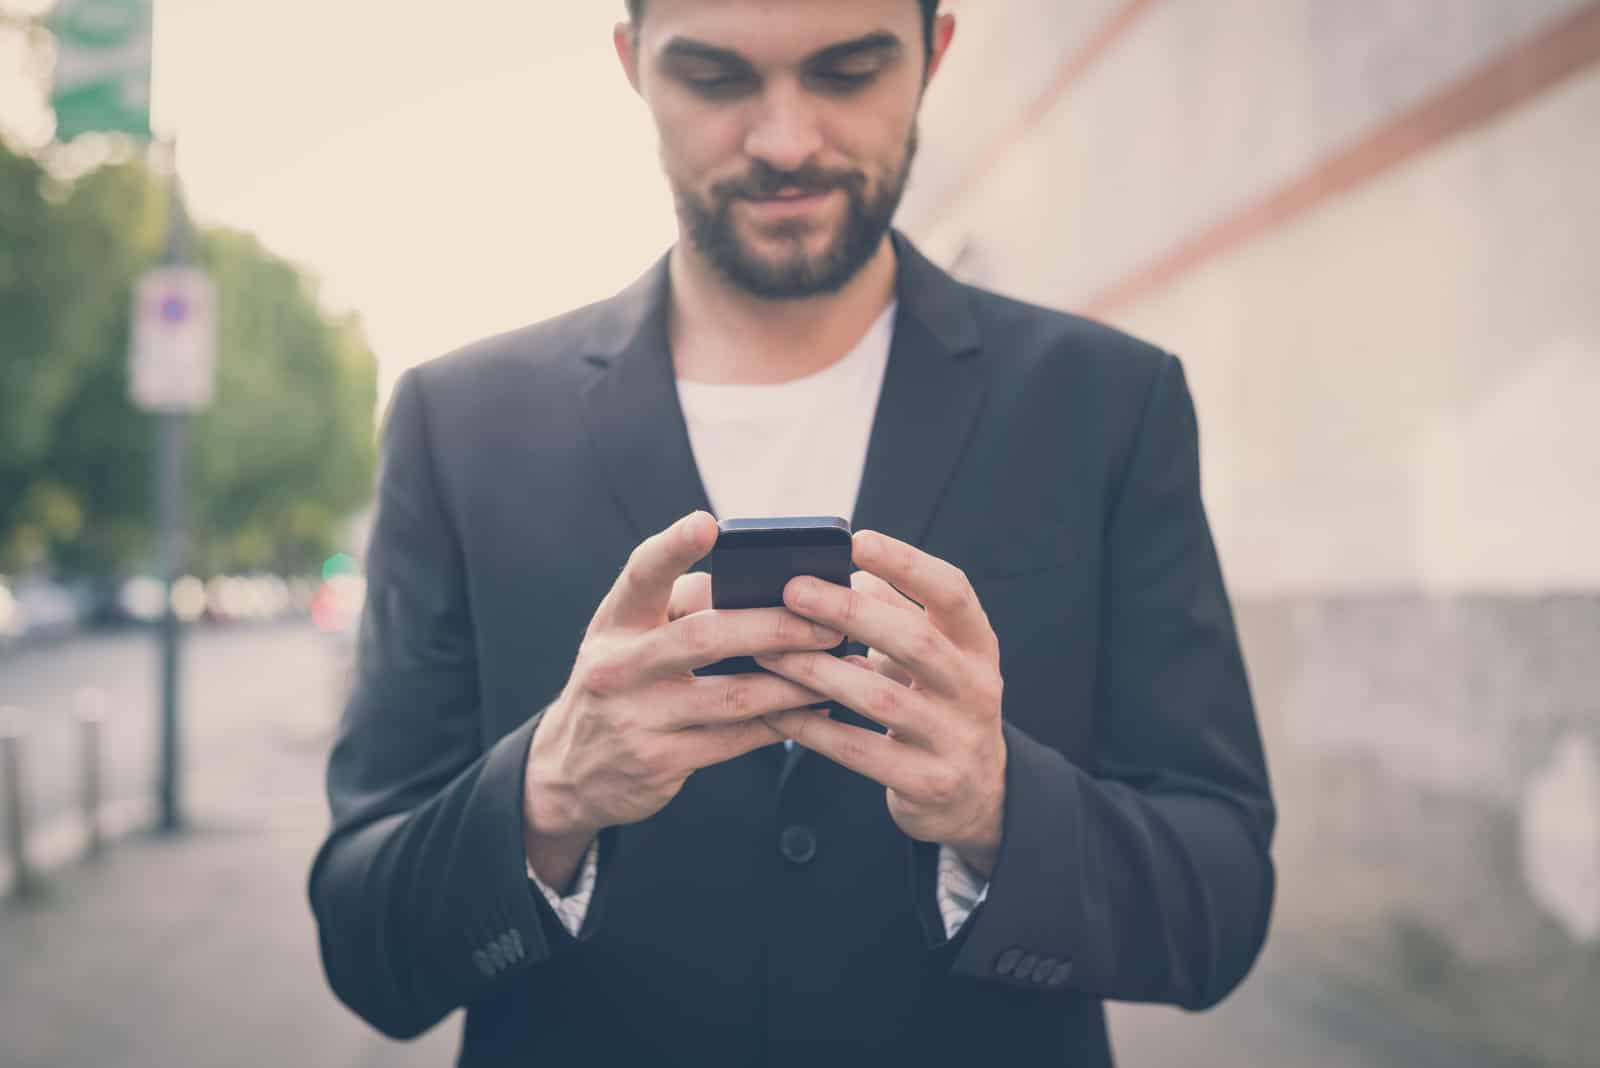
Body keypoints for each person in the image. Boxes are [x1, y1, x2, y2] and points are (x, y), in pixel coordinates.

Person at [307, 1, 1275, 1064]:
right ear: (632, 66)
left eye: (848, 72)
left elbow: (1218, 907)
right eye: (717, 80)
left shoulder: (1106, 405)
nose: (784, 142)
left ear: (932, 57)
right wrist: (549, 796)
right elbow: (366, 946)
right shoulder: (461, 422)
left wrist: (999, 809)